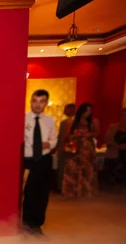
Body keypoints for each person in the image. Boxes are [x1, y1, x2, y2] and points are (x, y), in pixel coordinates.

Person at [22, 89, 57, 236]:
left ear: (46, 103)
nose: (37, 105)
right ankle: (25, 221)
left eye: (41, 101)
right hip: (27, 159)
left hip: (43, 160)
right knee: (28, 191)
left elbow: (54, 139)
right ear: (30, 102)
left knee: (42, 194)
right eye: (35, 101)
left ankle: (36, 224)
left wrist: (48, 144)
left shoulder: (49, 120)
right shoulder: (23, 118)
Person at [61, 103, 99, 198]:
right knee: (72, 168)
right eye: (86, 111)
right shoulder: (73, 121)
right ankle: (71, 191)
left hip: (87, 147)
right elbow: (67, 135)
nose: (87, 113)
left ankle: (86, 191)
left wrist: (87, 134)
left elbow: (97, 133)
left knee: (87, 168)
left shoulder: (93, 121)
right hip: (74, 147)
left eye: (89, 111)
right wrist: (74, 136)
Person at [56, 103, 75, 192]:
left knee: (66, 169)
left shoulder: (69, 122)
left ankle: (64, 187)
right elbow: (60, 137)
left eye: (66, 109)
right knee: (62, 169)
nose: (64, 111)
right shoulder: (64, 122)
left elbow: (62, 137)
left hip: (69, 149)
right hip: (63, 149)